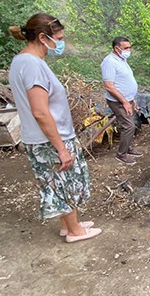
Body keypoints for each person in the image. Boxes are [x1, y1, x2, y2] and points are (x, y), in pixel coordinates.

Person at [8, 13, 102, 243]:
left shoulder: (22, 61)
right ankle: (75, 232)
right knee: (64, 182)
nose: (61, 43)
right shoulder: (31, 65)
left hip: (44, 137)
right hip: (48, 139)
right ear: (42, 37)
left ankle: (69, 224)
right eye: (58, 38)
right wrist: (60, 147)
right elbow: (40, 111)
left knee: (61, 181)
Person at [101, 36, 143, 165]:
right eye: (126, 48)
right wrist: (124, 102)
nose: (128, 50)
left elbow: (124, 80)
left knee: (131, 123)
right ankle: (121, 154)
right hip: (117, 101)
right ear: (116, 48)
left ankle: (128, 148)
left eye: (130, 47)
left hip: (127, 99)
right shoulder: (109, 62)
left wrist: (131, 99)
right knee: (128, 126)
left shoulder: (122, 59)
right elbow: (109, 86)